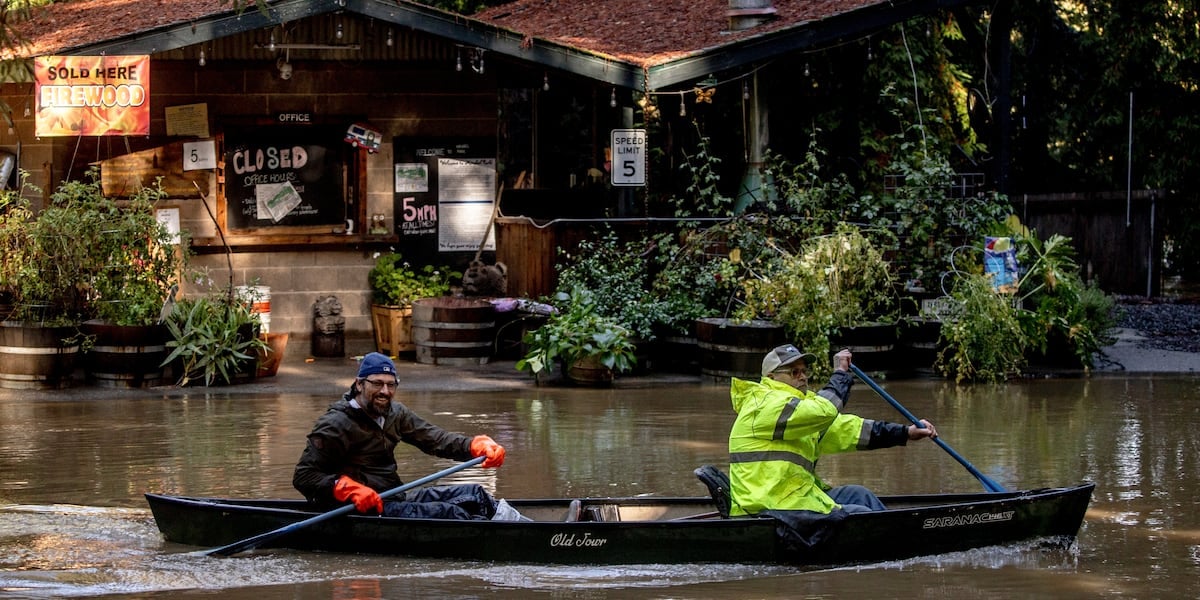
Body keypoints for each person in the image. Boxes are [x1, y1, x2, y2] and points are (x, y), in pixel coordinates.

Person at [293, 352, 516, 520]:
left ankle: (520, 527)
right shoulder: (336, 424)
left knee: (475, 494)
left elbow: (435, 439)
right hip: (359, 509)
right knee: (451, 514)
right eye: (377, 383)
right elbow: (304, 476)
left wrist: (474, 446)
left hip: (393, 497)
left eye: (391, 385)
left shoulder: (395, 413)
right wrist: (345, 488)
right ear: (359, 384)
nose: (385, 392)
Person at [728, 345, 938, 517]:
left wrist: (906, 433)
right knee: (856, 515)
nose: (802, 377)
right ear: (772, 378)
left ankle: (898, 537)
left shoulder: (798, 411)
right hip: (769, 506)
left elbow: (849, 430)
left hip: (793, 500)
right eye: (794, 372)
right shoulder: (764, 404)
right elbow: (824, 411)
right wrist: (839, 374)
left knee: (859, 496)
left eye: (804, 371)